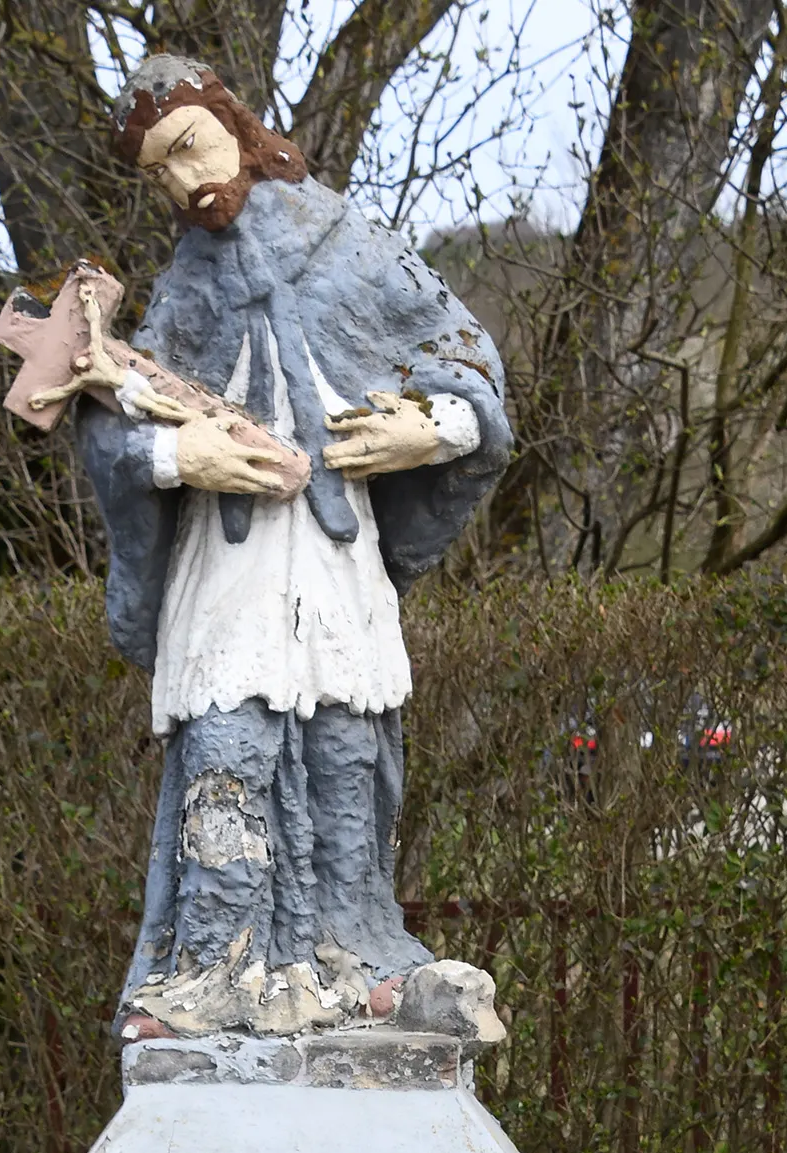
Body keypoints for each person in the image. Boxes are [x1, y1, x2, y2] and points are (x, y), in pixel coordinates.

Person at [74, 52, 512, 1037]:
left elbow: (467, 364)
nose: (186, 181)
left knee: (345, 762)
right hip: (226, 584)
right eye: (160, 171)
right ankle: (216, 976)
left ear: (233, 126)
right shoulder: (182, 295)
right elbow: (109, 428)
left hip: (335, 567)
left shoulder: (354, 244)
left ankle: (354, 963)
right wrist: (175, 452)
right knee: (228, 759)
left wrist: (434, 429)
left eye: (188, 146)